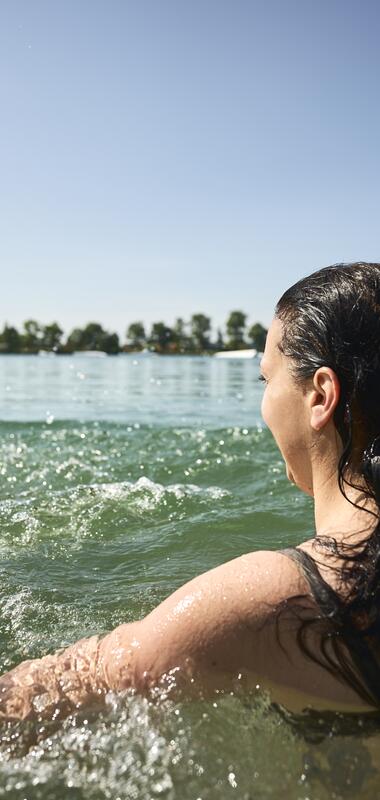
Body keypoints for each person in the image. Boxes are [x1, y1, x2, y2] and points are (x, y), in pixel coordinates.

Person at [1, 261, 380, 722]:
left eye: (267, 378)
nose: (262, 398)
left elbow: (42, 698)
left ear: (320, 395)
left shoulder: (273, 601)